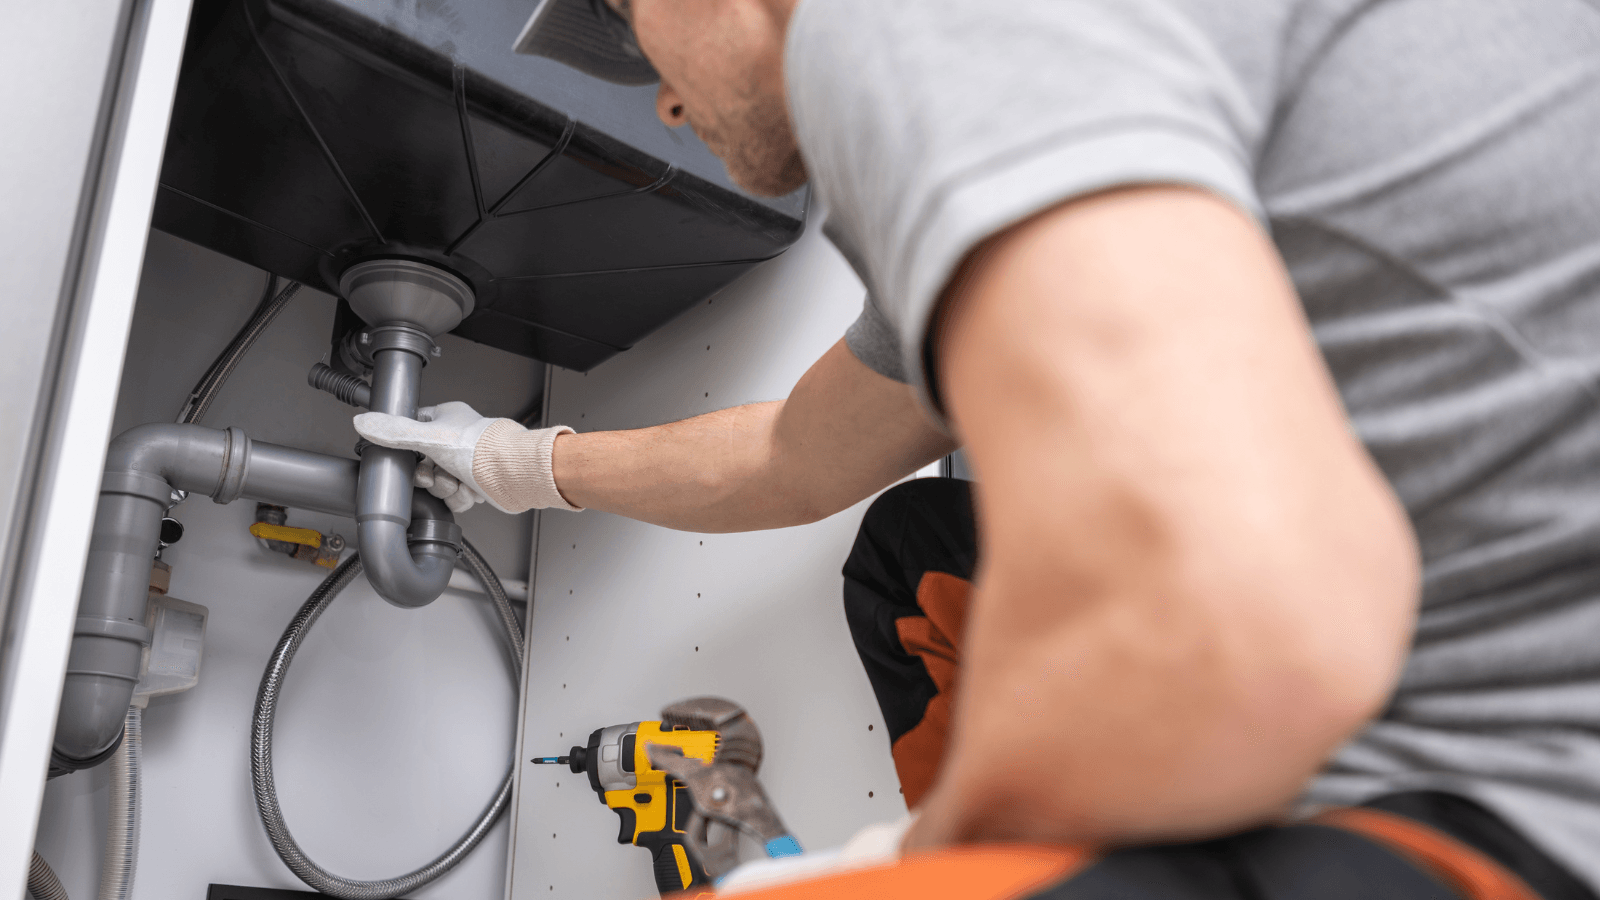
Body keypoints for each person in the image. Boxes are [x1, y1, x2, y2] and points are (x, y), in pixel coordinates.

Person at [355, 0, 1600, 896]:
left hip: (1515, 804)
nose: (664, 99)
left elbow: (1237, 625)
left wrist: (927, 861)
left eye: (629, 23)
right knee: (910, 553)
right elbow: (793, 455)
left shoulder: (897, 27)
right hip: (1454, 709)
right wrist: (518, 463)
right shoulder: (1027, 89)